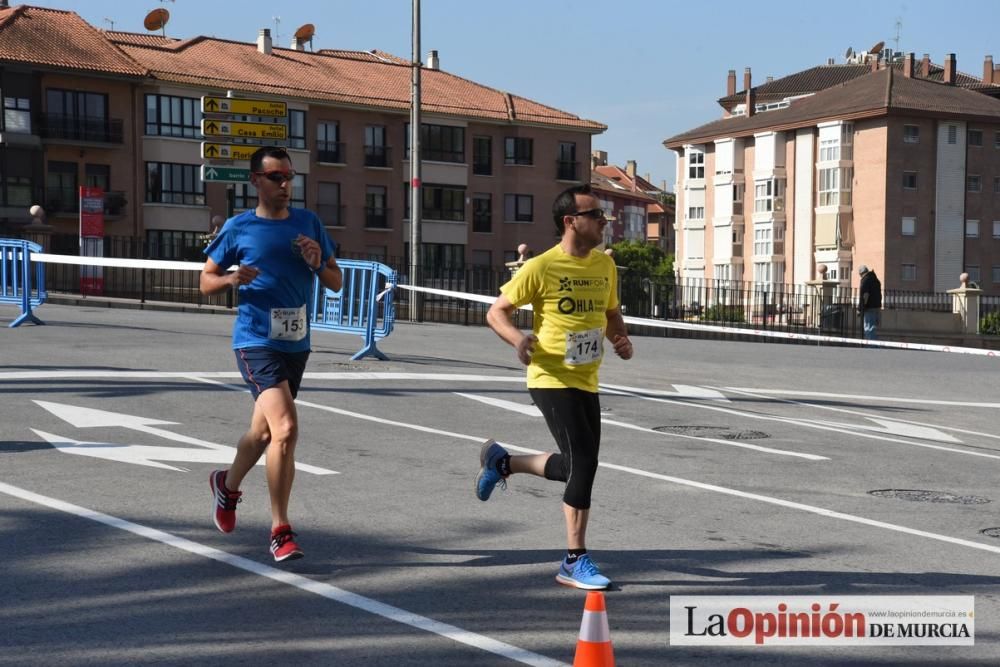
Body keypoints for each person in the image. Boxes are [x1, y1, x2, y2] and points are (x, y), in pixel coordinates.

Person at [477, 184, 633, 590]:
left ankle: (502, 462)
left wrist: (621, 338)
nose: (603, 221)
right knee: (585, 463)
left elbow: (611, 312)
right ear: (571, 221)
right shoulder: (542, 267)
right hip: (549, 377)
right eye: (595, 215)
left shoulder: (604, 266)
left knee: (574, 464)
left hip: (587, 378)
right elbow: (496, 312)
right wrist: (518, 339)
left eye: (603, 215)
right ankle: (574, 559)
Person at [200, 146, 342, 562]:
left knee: (262, 434)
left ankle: (226, 486)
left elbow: (335, 282)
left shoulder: (309, 222)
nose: (285, 184)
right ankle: (280, 530)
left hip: (295, 344)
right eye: (276, 177)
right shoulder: (238, 228)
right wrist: (230, 278)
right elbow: (204, 282)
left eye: (289, 177)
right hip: (254, 340)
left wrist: (318, 263)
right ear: (255, 182)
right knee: (285, 429)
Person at [858, 264, 882, 341]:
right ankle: (875, 345)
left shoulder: (866, 280)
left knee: (869, 328)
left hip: (869, 307)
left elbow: (865, 295)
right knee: (874, 328)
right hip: (877, 306)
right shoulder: (876, 279)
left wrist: (861, 308)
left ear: (861, 273)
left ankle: (871, 346)